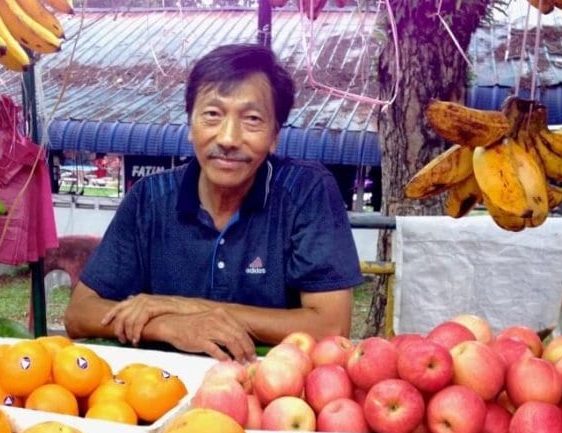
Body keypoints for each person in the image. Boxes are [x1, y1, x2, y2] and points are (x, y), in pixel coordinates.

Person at [63, 42, 363, 362]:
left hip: (271, 395)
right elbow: (80, 312)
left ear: (275, 135)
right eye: (212, 114)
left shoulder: (306, 191)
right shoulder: (149, 198)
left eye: (251, 119)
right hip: (160, 391)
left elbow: (331, 326)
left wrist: (187, 306)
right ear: (190, 125)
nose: (228, 139)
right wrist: (168, 325)